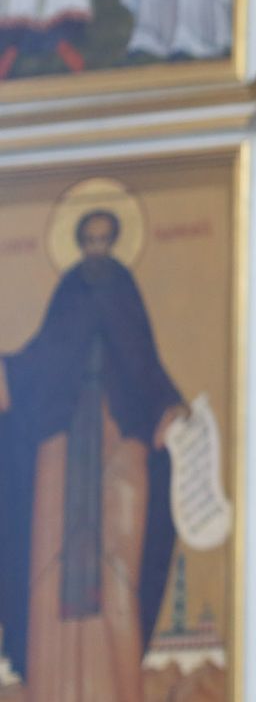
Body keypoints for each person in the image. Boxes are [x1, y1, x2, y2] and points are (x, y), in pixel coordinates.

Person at [0, 209, 186, 700]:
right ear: (80, 244)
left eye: (104, 241)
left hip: (118, 437)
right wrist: (9, 373)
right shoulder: (69, 292)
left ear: (115, 242)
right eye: (90, 241)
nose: (96, 251)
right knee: (50, 561)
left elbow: (144, 361)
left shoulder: (123, 291)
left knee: (118, 566)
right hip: (62, 440)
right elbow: (44, 355)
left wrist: (169, 406)